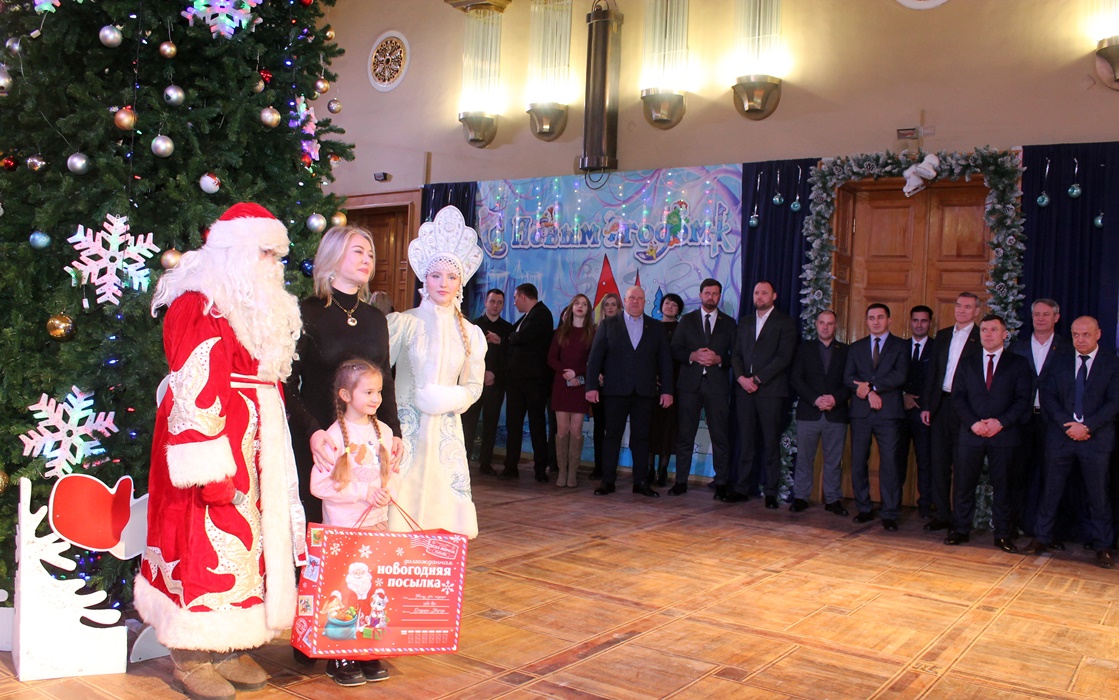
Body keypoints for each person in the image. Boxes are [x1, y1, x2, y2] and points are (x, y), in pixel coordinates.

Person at [136, 203, 306, 700]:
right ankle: (190, 654)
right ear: (236, 251)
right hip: (215, 440)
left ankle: (229, 642)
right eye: (265, 253)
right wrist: (209, 470)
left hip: (257, 440)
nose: (274, 264)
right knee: (204, 540)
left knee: (248, 543)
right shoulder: (199, 302)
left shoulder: (253, 304)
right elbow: (193, 388)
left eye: (277, 255)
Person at [285, 225, 402, 527]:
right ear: (333, 257)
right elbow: (286, 382)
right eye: (358, 252)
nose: (367, 260)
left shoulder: (375, 318)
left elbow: (385, 381)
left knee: (366, 525)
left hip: (366, 443)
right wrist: (312, 431)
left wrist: (395, 433)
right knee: (317, 527)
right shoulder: (305, 312)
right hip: (320, 440)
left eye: (371, 254)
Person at [386, 205, 486, 538]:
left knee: (442, 524)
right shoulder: (404, 323)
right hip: (406, 432)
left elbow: (473, 386)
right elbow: (379, 376)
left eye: (451, 277)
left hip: (446, 434)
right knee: (400, 514)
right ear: (425, 278)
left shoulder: (470, 333)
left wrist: (449, 398)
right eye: (436, 275)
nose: (443, 283)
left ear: (460, 283)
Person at [310, 360, 395, 686]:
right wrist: (363, 492)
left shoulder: (384, 431)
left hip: (376, 525)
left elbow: (390, 475)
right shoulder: (333, 437)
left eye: (379, 392)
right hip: (344, 528)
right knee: (342, 590)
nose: (376, 398)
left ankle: (367, 648)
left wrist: (386, 493)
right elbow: (319, 485)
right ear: (346, 395)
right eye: (368, 392)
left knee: (372, 587)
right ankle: (340, 653)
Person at [1029, 316, 1119, 569]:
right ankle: (1041, 537)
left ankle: (1103, 545)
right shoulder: (1059, 360)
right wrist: (1067, 425)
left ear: (1098, 334)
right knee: (1051, 490)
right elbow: (1048, 396)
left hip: (1095, 439)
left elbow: (1114, 402)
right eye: (1075, 334)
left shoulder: (1112, 363)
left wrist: (1087, 427)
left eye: (1085, 335)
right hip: (1062, 436)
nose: (1080, 339)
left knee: (1098, 494)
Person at [945, 315, 1032, 552]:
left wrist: (1000, 423)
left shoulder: (1018, 363)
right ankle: (960, 529)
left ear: (1005, 334)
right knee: (963, 484)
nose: (988, 334)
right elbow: (958, 397)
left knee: (1004, 487)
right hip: (971, 433)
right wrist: (973, 423)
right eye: (984, 330)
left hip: (1004, 435)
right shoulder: (967, 362)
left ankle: (1003, 533)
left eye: (993, 330)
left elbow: (1023, 399)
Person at [586, 286, 673, 497]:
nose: (635, 301)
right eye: (631, 298)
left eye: (639, 298)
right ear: (625, 301)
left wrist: (667, 390)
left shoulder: (656, 327)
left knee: (641, 438)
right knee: (612, 436)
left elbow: (665, 361)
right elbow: (595, 358)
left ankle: (640, 482)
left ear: (645, 301)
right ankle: (607, 481)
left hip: (644, 392)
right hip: (615, 391)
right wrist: (591, 387)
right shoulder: (608, 325)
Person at [728, 281, 797, 506]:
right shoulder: (745, 321)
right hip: (744, 391)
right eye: (756, 292)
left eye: (764, 293)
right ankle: (742, 487)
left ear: (774, 296)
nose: (759, 296)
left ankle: (770, 492)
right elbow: (735, 354)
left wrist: (757, 379)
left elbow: (783, 357)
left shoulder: (785, 322)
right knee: (746, 441)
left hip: (770, 391)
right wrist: (741, 378)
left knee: (770, 442)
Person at [844, 303, 909, 531]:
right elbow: (848, 377)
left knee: (890, 463)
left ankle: (889, 512)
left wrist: (872, 387)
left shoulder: (900, 346)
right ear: (866, 321)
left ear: (889, 320)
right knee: (858, 460)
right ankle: (863, 508)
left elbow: (900, 375)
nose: (876, 321)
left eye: (880, 317)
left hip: (888, 413)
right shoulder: (856, 347)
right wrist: (866, 391)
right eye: (871, 318)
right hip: (861, 413)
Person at [921, 292, 982, 532]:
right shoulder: (943, 335)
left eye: (967, 307)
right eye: (959, 306)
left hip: (966, 409)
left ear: (976, 311)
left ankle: (960, 519)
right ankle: (942, 514)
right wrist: (927, 405)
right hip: (941, 405)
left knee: (963, 465)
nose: (961, 310)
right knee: (939, 463)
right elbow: (933, 374)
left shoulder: (981, 337)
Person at [670, 279, 736, 496]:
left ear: (719, 296)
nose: (711, 297)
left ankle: (721, 482)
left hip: (717, 387)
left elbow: (736, 356)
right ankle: (681, 481)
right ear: (700, 295)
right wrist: (692, 355)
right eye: (707, 293)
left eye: (715, 294)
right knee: (685, 435)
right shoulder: (687, 320)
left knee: (720, 436)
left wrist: (719, 359)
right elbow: (675, 349)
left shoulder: (729, 323)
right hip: (689, 386)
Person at [1009, 298, 1067, 537]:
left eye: (1046, 314)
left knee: (1053, 479)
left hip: (1053, 423)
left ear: (1056, 317)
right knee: (1017, 476)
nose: (1040, 319)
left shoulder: (1067, 348)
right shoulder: (1018, 347)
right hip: (1023, 421)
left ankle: (1051, 532)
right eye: (1036, 314)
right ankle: (1013, 526)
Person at [789, 310, 851, 514]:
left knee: (834, 461)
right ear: (816, 324)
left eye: (830, 323)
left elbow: (851, 381)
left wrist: (835, 399)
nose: (825, 327)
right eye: (822, 323)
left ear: (836, 326)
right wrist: (815, 399)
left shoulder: (846, 351)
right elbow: (796, 378)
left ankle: (832, 499)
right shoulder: (803, 349)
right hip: (809, 412)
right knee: (804, 458)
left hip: (836, 413)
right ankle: (800, 497)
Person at [502, 283, 554, 482]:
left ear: (523, 297)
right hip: (516, 381)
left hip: (534, 382)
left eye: (516, 298)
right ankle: (510, 466)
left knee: (536, 424)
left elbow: (520, 337)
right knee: (513, 424)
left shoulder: (541, 314)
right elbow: (512, 337)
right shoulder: (526, 317)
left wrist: (510, 337)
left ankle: (540, 468)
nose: (514, 303)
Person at [461, 288, 514, 476]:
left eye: (499, 302)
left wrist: (493, 374)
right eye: (492, 301)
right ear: (485, 302)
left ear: (503, 305)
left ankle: (485, 463)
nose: (495, 305)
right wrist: (481, 374)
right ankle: (464, 461)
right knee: (468, 422)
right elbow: (466, 355)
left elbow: (509, 358)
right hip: (474, 382)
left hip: (496, 383)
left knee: (491, 423)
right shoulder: (473, 326)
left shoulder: (508, 329)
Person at [547, 294, 596, 487]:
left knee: (576, 429)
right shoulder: (560, 332)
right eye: (577, 303)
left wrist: (577, 373)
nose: (580, 306)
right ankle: (562, 471)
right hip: (562, 385)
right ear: (571, 307)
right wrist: (566, 373)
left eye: (584, 304)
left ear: (588, 310)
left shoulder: (592, 333)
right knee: (562, 429)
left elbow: (593, 361)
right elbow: (551, 358)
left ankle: (573, 472)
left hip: (580, 386)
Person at [900, 305, 935, 519]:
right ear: (910, 322)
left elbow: (938, 380)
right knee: (897, 459)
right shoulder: (899, 347)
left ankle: (925, 505)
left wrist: (927, 405)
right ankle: (893, 503)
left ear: (930, 323)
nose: (919, 325)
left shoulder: (938, 348)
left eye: (923, 320)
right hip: (900, 412)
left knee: (925, 460)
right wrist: (903, 395)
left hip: (925, 413)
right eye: (915, 320)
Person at [648, 292, 684, 487]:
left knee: (668, 429)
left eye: (674, 305)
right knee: (650, 427)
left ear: (679, 310)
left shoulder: (682, 328)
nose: (669, 306)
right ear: (661, 306)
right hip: (650, 385)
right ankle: (649, 469)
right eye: (667, 303)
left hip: (674, 386)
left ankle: (663, 469)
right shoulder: (651, 326)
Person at [591, 292, 622, 480]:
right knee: (598, 426)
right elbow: (593, 356)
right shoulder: (595, 329)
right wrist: (597, 374)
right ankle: (598, 467)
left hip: (616, 385)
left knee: (612, 429)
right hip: (599, 385)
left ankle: (610, 468)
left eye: (613, 304)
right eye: (607, 305)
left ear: (619, 308)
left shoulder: (624, 330)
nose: (610, 308)